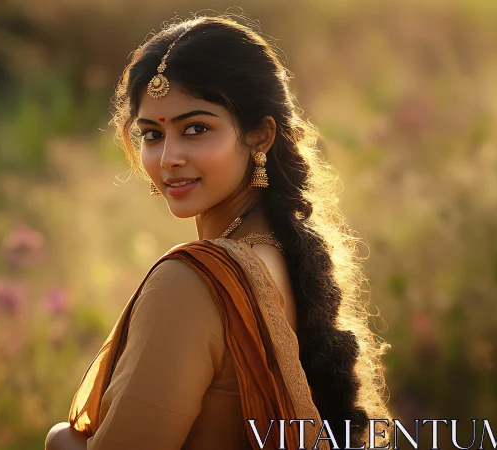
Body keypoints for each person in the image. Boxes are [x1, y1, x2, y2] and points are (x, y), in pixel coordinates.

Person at [46, 15, 392, 450]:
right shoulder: (284, 255)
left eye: (196, 129)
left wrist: (59, 439)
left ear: (260, 136)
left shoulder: (194, 281)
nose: (169, 157)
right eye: (152, 134)